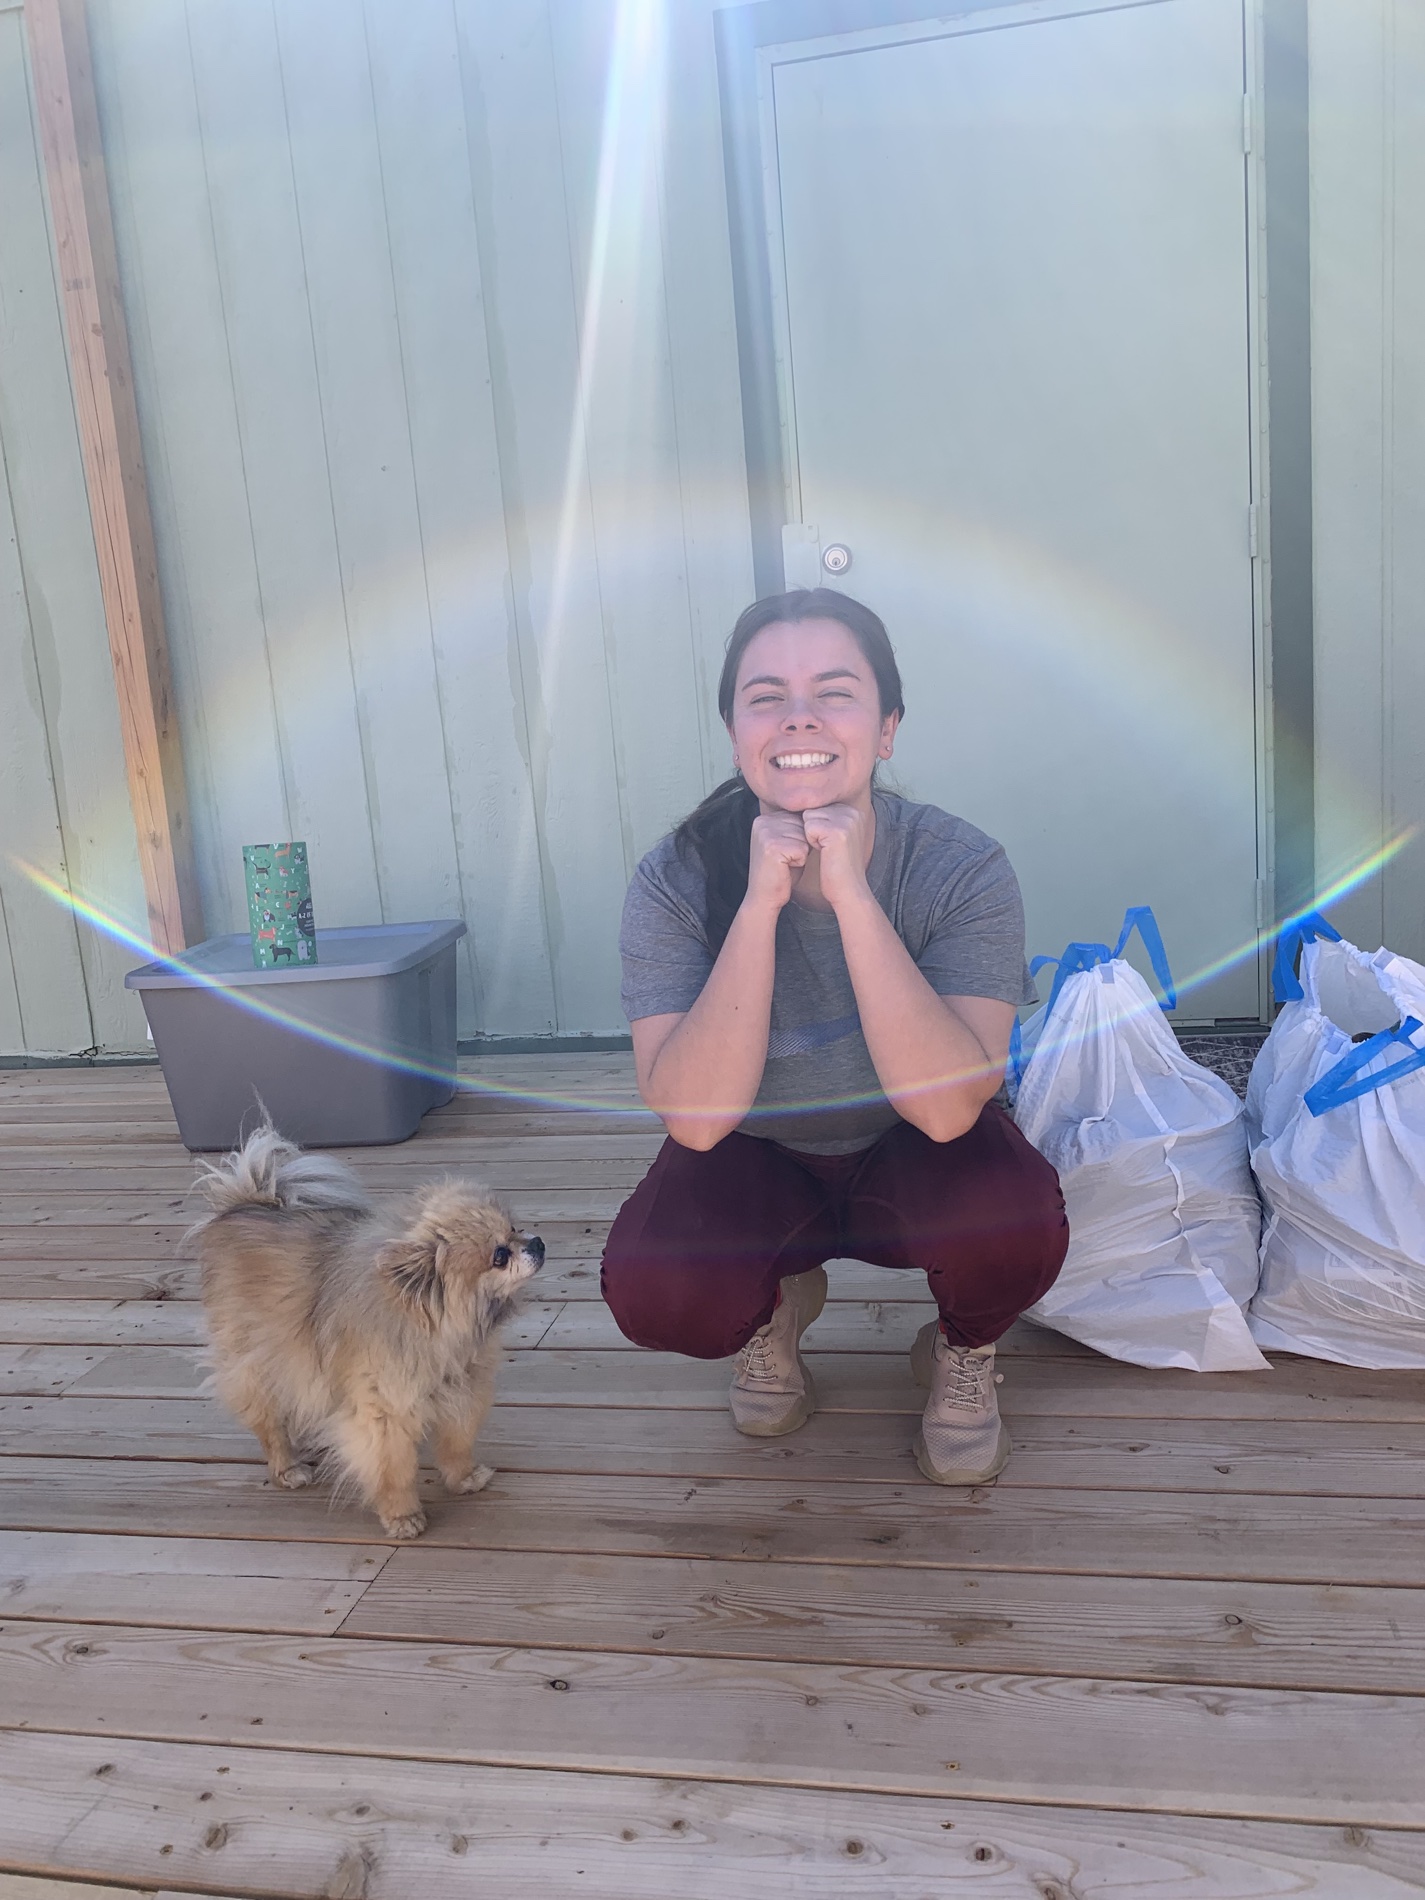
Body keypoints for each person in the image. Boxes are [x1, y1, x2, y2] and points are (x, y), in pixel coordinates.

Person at [601, 589, 1068, 1483]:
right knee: (661, 1290)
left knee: (1016, 1226)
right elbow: (694, 1121)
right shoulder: (673, 879)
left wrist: (851, 893)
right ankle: (772, 1311)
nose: (799, 716)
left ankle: (962, 1350)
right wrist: (760, 902)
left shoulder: (960, 866)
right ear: (735, 733)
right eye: (766, 696)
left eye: (835, 691)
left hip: (914, 1150)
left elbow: (946, 1112)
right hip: (756, 1154)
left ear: (886, 729)